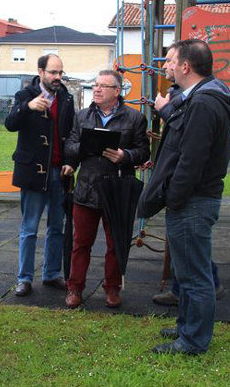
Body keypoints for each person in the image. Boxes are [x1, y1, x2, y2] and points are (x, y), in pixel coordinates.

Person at [138, 39, 230, 355]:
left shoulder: (204, 104)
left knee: (194, 277)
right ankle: (188, 328)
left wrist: (174, 196)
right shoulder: (205, 98)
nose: (166, 65)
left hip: (193, 201)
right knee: (188, 272)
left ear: (185, 66)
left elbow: (191, 161)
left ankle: (193, 340)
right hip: (194, 199)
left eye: (170, 60)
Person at [63, 70, 149, 309]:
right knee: (81, 243)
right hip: (87, 187)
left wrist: (125, 155)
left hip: (118, 188)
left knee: (116, 243)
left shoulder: (134, 118)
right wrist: (84, 147)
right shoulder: (82, 117)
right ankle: (75, 288)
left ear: (117, 91)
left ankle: (112, 288)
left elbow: (144, 151)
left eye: (104, 86)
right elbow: (69, 145)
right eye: (96, 85)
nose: (97, 89)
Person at [4, 54, 76, 297]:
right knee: (30, 228)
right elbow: (10, 123)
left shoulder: (66, 97)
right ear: (41, 71)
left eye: (60, 73)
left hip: (60, 172)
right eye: (53, 72)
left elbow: (71, 134)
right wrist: (28, 107)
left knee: (57, 226)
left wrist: (70, 162)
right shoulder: (25, 95)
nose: (57, 77)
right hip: (33, 172)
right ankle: (24, 278)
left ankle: (52, 273)